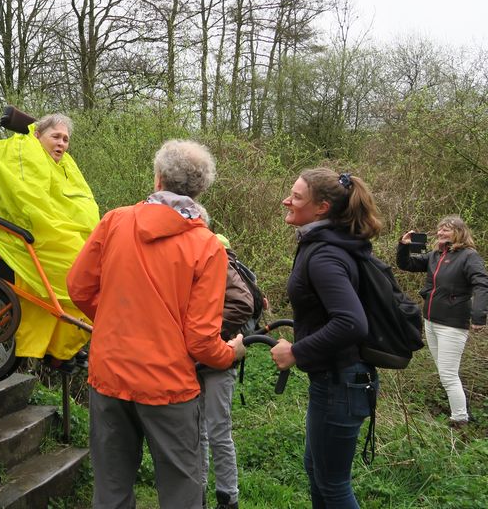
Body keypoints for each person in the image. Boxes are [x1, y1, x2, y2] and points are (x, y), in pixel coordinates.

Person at [67, 139, 246, 509]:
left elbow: (78, 288)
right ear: (199, 190)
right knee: (182, 492)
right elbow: (201, 341)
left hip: (110, 375)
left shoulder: (115, 221)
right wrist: (230, 354)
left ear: (158, 178)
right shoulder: (208, 246)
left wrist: (117, 322)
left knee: (111, 491)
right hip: (168, 387)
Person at [0, 113, 98, 372]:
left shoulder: (64, 166)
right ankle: (58, 350)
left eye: (66, 139)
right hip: (29, 235)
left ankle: (62, 348)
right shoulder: (23, 153)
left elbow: (81, 206)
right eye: (56, 136)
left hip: (52, 234)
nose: (62, 143)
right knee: (77, 273)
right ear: (38, 134)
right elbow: (28, 205)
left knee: (95, 265)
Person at [271, 168, 381, 509]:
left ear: (321, 208)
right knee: (318, 472)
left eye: (297, 197)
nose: (286, 201)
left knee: (333, 485)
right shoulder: (323, 243)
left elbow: (351, 322)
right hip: (334, 381)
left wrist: (297, 351)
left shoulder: (325, 254)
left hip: (341, 383)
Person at [396, 215, 488, 427]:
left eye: (445, 230)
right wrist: (403, 246)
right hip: (431, 320)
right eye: (439, 230)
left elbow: (482, 285)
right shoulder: (436, 255)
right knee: (446, 372)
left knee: (447, 374)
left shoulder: (468, 256)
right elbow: (407, 264)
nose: (440, 233)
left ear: (458, 232)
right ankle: (462, 410)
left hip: (452, 324)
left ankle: (459, 420)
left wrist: (479, 316)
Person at [198, 234, 253, 509]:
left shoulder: (220, 263)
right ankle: (199, 495)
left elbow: (244, 304)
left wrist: (206, 336)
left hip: (219, 359)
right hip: (198, 360)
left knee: (216, 431)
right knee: (199, 432)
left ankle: (227, 498)